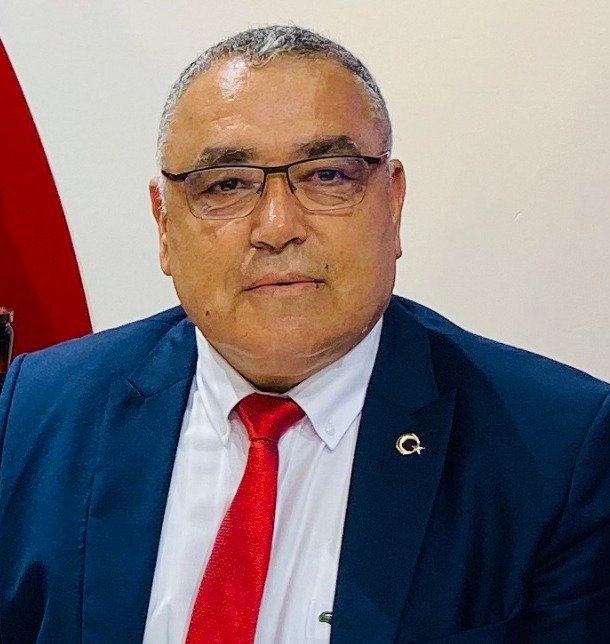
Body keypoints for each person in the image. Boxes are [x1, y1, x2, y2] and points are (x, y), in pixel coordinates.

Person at [1, 25, 609, 644]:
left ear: (393, 203)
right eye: (227, 184)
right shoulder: (37, 411)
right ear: (163, 224)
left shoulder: (557, 452)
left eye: (327, 176)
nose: (277, 226)